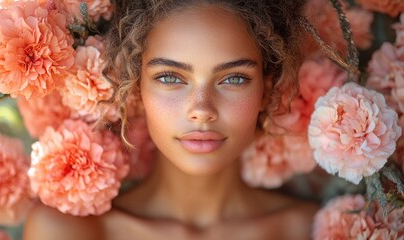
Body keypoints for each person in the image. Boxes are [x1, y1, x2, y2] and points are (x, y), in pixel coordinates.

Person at [23, 0, 319, 239]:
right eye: (170, 77)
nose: (202, 109)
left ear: (265, 93)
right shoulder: (69, 232)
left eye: (234, 78)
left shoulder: (309, 230)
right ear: (136, 86)